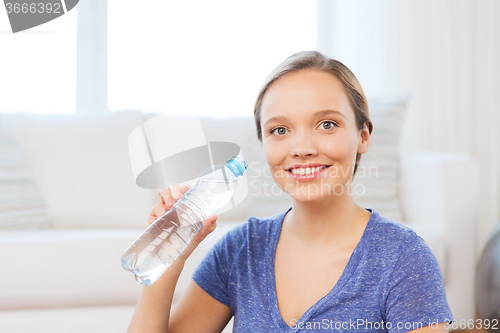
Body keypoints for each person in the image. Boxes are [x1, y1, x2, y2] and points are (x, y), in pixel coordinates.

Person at [127, 51, 454, 332]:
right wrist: (166, 260)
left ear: (363, 136)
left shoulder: (402, 258)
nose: (302, 148)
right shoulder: (241, 251)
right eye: (279, 130)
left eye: (327, 124)